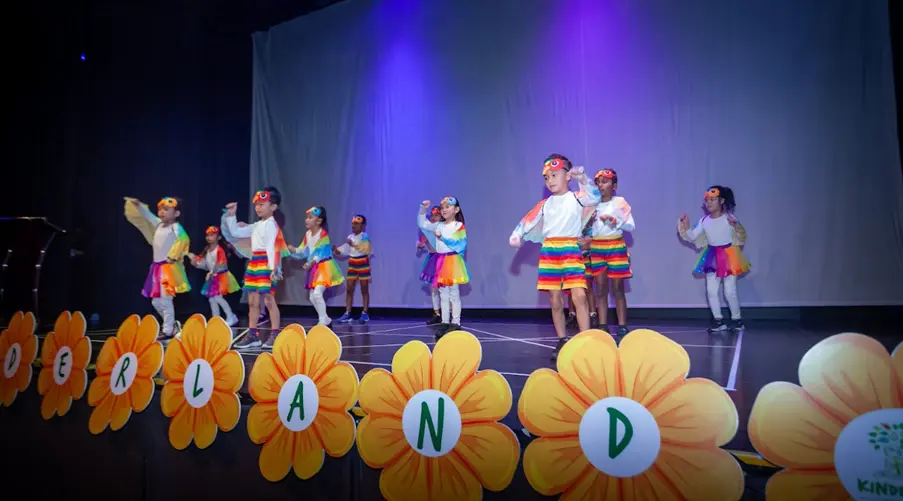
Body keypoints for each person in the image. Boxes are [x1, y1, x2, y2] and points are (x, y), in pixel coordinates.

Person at [509, 154, 601, 359]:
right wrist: (516, 235)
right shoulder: (545, 204)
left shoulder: (577, 198)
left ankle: (585, 340)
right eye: (546, 177)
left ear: (568, 176)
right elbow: (528, 220)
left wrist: (583, 179)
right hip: (550, 251)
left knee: (579, 295)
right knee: (555, 299)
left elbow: (594, 197)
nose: (550, 181)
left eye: (554, 175)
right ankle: (562, 339)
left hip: (570, 249)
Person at [221, 187, 290, 348]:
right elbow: (236, 232)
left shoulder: (271, 225)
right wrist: (232, 215)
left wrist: (274, 268)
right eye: (257, 204)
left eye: (262, 204)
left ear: (273, 207)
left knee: (269, 300)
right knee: (252, 301)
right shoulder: (257, 225)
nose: (258, 208)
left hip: (266, 263)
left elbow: (272, 247)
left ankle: (275, 333)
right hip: (255, 262)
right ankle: (253, 335)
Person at [678, 185, 750, 332]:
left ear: (721, 201)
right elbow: (692, 236)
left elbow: (741, 235)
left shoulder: (729, 219)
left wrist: (736, 227)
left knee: (729, 291)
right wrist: (685, 227)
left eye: (712, 200)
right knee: (711, 290)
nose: (708, 203)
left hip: (729, 257)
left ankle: (736, 319)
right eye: (707, 200)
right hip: (712, 258)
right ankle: (718, 320)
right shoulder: (704, 220)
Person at [124, 196, 191, 341]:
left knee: (166, 300)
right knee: (155, 302)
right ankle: (172, 325)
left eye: (166, 209)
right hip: (156, 269)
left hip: (168, 269)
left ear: (176, 214)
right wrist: (139, 206)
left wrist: (173, 256)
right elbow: (148, 216)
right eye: (160, 209)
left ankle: (167, 330)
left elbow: (184, 239)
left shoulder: (176, 228)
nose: (161, 212)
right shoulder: (159, 224)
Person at [589, 169, 635, 336]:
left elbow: (631, 226)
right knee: (600, 288)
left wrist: (614, 221)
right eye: (598, 182)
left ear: (614, 186)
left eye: (605, 182)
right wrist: (588, 221)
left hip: (615, 245)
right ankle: (603, 325)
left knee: (617, 288)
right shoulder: (592, 204)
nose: (601, 185)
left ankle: (622, 325)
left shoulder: (619, 202)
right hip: (597, 247)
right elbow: (585, 228)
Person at [418, 197, 469, 338]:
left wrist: (442, 238)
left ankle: (456, 322)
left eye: (448, 207)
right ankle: (445, 322)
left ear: (456, 210)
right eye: (442, 207)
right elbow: (422, 224)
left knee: (454, 293)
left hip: (452, 261)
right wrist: (423, 209)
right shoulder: (438, 225)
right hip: (440, 261)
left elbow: (461, 244)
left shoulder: (458, 226)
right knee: (443, 294)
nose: (444, 210)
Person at [289, 206, 345, 326]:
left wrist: (310, 263)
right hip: (315, 268)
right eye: (306, 217)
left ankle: (322, 321)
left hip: (325, 266)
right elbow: (304, 251)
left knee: (317, 294)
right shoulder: (308, 234)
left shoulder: (323, 235)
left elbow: (320, 253)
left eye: (310, 218)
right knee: (312, 297)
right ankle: (326, 319)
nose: (306, 220)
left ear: (319, 221)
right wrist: (294, 250)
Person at [187, 226, 240, 326]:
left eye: (212, 235)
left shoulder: (219, 250)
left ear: (218, 237)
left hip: (221, 276)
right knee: (212, 299)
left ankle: (231, 316)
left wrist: (212, 272)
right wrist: (196, 262)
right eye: (208, 235)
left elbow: (221, 264)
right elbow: (206, 265)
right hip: (213, 277)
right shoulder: (207, 250)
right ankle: (215, 319)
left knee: (218, 298)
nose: (209, 237)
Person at [334, 214, 373, 323]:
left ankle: (365, 313)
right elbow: (345, 251)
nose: (353, 225)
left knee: (364, 288)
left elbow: (364, 249)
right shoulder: (350, 237)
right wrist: (337, 251)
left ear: (363, 225)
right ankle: (348, 313)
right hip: (352, 263)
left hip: (363, 263)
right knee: (349, 289)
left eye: (356, 223)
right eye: (353, 223)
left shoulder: (365, 236)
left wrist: (352, 244)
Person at [417, 206, 443, 324]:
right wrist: (420, 245)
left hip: (443, 259)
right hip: (433, 260)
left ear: (441, 217)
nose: (433, 218)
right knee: (434, 288)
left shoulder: (444, 228)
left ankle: (449, 314)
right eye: (432, 215)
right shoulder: (427, 231)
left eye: (436, 215)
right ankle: (436, 313)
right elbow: (421, 244)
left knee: (446, 288)